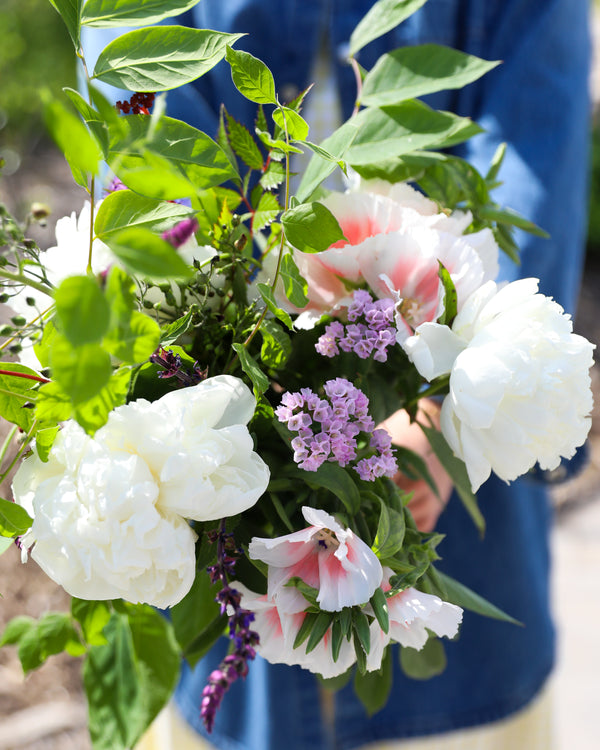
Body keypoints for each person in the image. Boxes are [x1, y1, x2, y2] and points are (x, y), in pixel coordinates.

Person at [83, 1, 591, 748]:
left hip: (446, 477)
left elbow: (532, 168)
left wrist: (445, 408)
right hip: (228, 468)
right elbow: (145, 159)